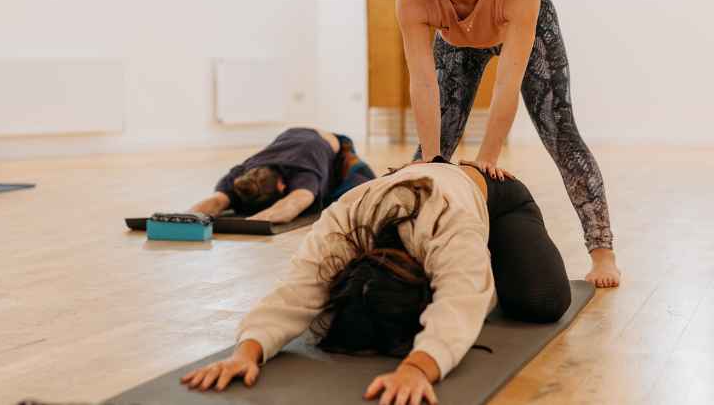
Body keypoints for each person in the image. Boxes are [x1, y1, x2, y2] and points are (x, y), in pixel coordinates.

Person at [182, 158, 571, 404]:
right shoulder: (342, 227)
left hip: (493, 197)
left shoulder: (445, 222)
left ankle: (492, 252)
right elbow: (295, 294)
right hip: (413, 190)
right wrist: (245, 353)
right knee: (466, 270)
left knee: (541, 301)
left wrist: (418, 367)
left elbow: (460, 304)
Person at [395, 0, 619, 287]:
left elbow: (507, 82)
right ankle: (407, 252)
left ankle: (603, 252)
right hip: (457, 43)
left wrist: (487, 157)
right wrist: (432, 157)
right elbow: (422, 81)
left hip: (522, 31)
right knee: (429, 153)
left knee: (560, 131)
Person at [189, 127, 376, 223]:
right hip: (291, 137)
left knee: (361, 195)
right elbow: (216, 201)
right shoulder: (240, 175)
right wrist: (185, 218)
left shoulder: (303, 171)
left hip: (333, 149)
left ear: (282, 185)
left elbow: (294, 203)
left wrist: (252, 222)